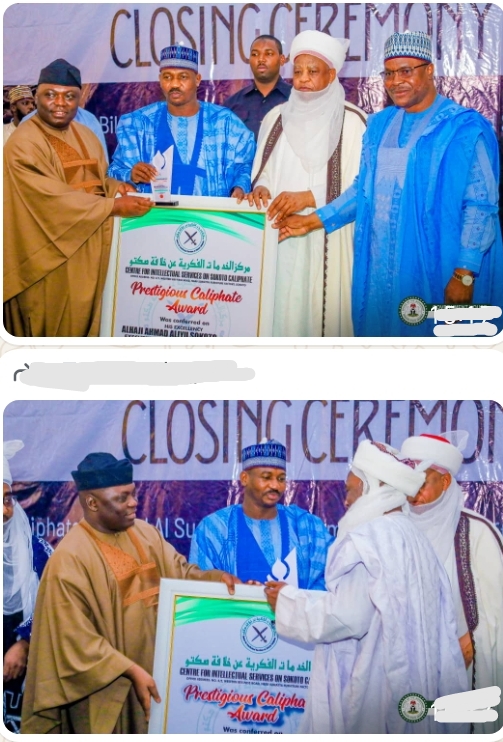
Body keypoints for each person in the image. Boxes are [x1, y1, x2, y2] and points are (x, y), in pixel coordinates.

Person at [274, 31, 503, 337]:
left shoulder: (465, 128)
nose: (396, 82)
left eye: (406, 71)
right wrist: (312, 221)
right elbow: (362, 190)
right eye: (389, 73)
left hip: (439, 264)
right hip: (380, 268)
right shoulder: (379, 125)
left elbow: (480, 205)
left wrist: (464, 273)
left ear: (429, 70)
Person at [20, 452, 239, 734]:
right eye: (122, 497)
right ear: (92, 503)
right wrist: (130, 670)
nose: (134, 502)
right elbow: (73, 640)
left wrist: (217, 579)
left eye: (133, 494)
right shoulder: (69, 559)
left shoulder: (146, 534)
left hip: (157, 678)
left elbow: (181, 575)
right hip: (107, 691)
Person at [264, 440, 469, 733]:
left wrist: (287, 602)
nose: (346, 501)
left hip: (375, 686)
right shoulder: (413, 536)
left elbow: (348, 616)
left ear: (372, 487)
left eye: (350, 490)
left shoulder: (370, 540)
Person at [3, 58, 153, 338]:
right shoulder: (23, 142)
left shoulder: (85, 133)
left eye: (69, 96)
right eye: (51, 94)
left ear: (80, 99)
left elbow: (96, 181)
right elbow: (48, 200)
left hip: (90, 250)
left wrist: (116, 188)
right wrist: (113, 205)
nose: (60, 103)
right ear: (37, 97)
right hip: (49, 260)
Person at [248, 30, 366, 337]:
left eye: (312, 72)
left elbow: (362, 188)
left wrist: (310, 197)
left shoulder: (353, 121)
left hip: (331, 235)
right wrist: (261, 188)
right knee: (283, 313)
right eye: (298, 71)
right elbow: (264, 171)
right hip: (283, 233)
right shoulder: (275, 117)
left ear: (332, 74)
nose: (303, 79)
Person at [400, 431, 503, 734]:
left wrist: (472, 641)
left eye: (422, 482)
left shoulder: (478, 533)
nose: (413, 490)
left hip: (462, 669)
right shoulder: (393, 528)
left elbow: (497, 611)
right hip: (402, 669)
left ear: (445, 482)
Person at [108, 44, 255, 198]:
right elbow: (114, 171)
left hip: (211, 213)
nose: (174, 84)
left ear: (197, 79)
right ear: (160, 80)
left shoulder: (225, 123)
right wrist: (130, 174)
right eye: (167, 77)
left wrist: (239, 187)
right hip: (153, 213)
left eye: (183, 77)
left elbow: (244, 166)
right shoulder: (138, 124)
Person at [190, 439, 333, 589]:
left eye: (281, 479)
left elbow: (330, 578)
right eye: (266, 477)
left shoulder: (307, 527)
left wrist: (292, 597)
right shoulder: (214, 529)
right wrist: (241, 594)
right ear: (245, 478)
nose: (275, 485)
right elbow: (200, 588)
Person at [3, 440, 53, 733]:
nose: (5, 511)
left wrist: (25, 643)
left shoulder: (37, 553)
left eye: (8, 499)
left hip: (21, 686)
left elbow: (56, 605)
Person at [223, 35, 291, 140]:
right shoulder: (232, 104)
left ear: (282, 60)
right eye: (255, 54)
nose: (261, 59)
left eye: (268, 54)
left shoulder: (296, 99)